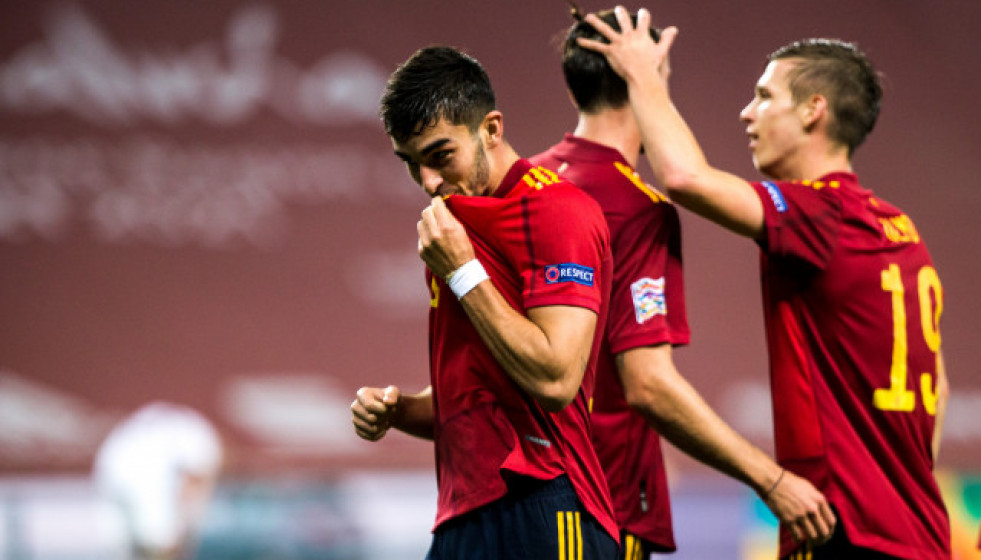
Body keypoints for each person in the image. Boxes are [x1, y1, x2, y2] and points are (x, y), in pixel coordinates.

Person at [577, 7, 951, 560]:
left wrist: (641, 74)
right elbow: (938, 383)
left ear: (813, 110)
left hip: (842, 530)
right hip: (919, 533)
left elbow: (685, 178)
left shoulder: (821, 215)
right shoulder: (899, 228)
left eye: (764, 96)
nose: (747, 112)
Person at [530, 9, 834, 558]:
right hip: (599, 506)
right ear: (646, 82)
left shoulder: (522, 185)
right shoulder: (635, 208)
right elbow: (648, 385)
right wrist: (771, 479)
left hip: (514, 502)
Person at [350, 45, 619, 559]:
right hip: (463, 513)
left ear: (491, 129)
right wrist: (399, 410)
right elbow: (478, 398)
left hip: (548, 503)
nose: (428, 182)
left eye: (440, 156)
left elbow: (556, 380)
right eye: (411, 164)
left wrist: (462, 272)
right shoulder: (457, 229)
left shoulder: (556, 211)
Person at [93, 401, 223, 560]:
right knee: (160, 541)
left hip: (113, 465)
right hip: (141, 474)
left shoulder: (186, 429)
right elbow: (194, 480)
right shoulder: (200, 439)